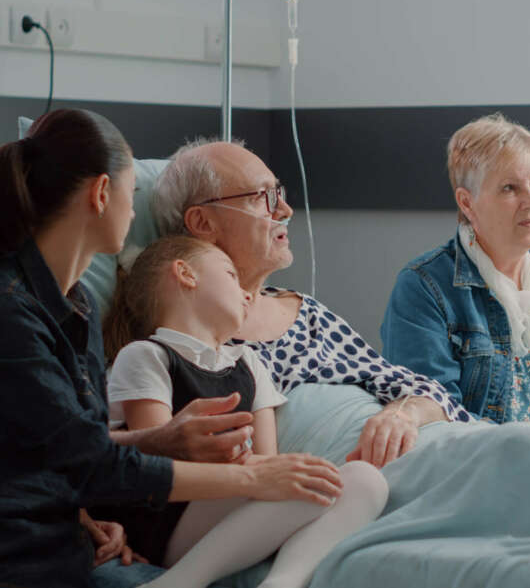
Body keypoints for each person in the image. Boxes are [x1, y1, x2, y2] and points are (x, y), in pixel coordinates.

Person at [0, 109, 343, 588]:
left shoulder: (74, 305)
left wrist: (82, 518)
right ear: (102, 194)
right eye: (132, 194)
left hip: (68, 535)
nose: (137, 212)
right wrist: (253, 479)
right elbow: (89, 462)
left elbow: (52, 448)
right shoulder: (13, 313)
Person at [149, 138, 472, 469]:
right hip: (366, 482)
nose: (285, 211)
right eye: (262, 197)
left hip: (434, 447)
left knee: (517, 446)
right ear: (203, 223)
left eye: (280, 193)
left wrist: (402, 415)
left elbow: (426, 392)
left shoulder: (309, 315)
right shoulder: (185, 347)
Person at [102, 235, 388, 588]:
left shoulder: (249, 363)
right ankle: (176, 582)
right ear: (186, 274)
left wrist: (274, 472)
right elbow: (155, 472)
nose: (250, 294)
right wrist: (256, 472)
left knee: (366, 481)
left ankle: (284, 582)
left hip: (235, 506)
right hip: (168, 519)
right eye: (231, 275)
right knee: (293, 480)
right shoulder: (146, 355)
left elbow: (269, 461)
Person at [380, 113, 530, 431]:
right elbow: (438, 420)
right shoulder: (424, 287)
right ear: (467, 203)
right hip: (488, 472)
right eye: (510, 188)